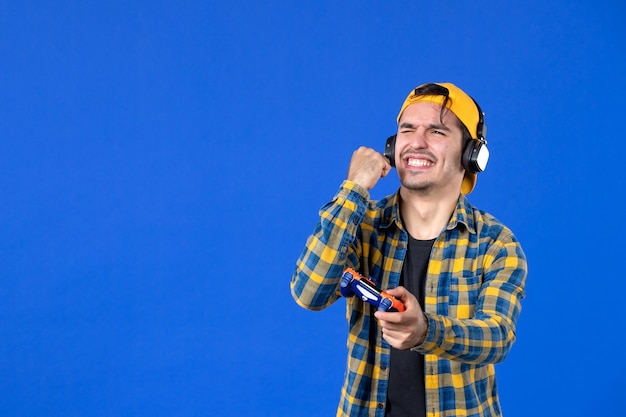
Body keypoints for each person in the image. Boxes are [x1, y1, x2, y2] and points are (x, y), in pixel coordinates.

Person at [290, 82, 527, 417]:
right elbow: (309, 293)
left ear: (471, 154)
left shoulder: (495, 243)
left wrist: (426, 332)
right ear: (391, 146)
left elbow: (497, 336)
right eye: (407, 129)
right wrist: (354, 188)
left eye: (436, 131)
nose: (417, 142)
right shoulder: (362, 225)